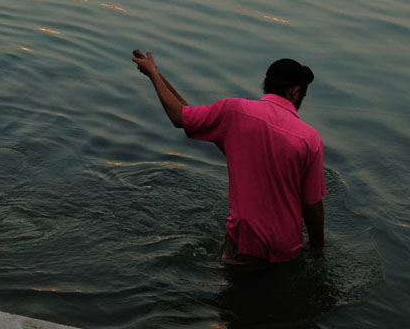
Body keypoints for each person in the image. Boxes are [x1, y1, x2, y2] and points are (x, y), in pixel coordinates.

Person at [132, 51, 325, 264]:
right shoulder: (310, 138)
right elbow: (312, 205)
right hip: (287, 248)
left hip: (244, 242)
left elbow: (181, 115)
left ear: (267, 85)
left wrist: (152, 75)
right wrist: (318, 248)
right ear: (296, 92)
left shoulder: (234, 111)